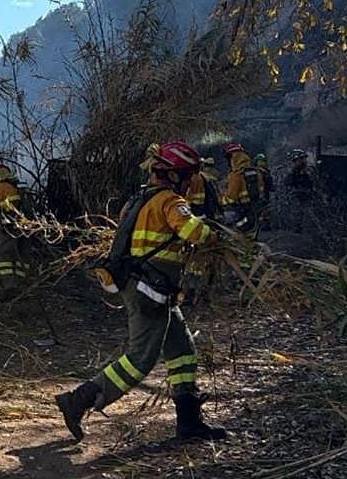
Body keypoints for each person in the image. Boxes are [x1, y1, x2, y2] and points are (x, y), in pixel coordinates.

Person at [55, 141, 227, 442]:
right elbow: (193, 233)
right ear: (175, 175)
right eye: (187, 175)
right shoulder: (171, 202)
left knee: (182, 352)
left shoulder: (138, 199)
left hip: (152, 290)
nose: (190, 182)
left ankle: (188, 421)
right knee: (140, 358)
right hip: (150, 292)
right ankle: (78, 399)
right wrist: (217, 234)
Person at [0, 161, 30, 285]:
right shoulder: (19, 187)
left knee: (3, 255)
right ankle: (21, 282)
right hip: (28, 227)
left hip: (11, 227)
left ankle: (9, 285)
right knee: (22, 254)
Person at [221, 142, 258, 230]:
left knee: (235, 233)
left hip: (242, 212)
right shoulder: (256, 171)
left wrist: (221, 200)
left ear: (232, 157)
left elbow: (231, 198)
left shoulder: (235, 175)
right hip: (256, 209)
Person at [284, 150, 315, 231]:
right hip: (298, 194)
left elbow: (312, 182)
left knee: (308, 212)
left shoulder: (308, 169)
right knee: (298, 212)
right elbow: (288, 182)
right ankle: (298, 227)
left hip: (307, 194)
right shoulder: (294, 172)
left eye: (297, 160)